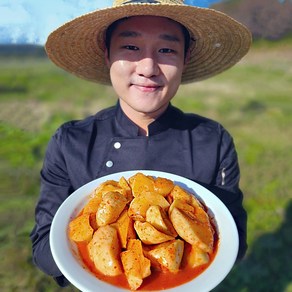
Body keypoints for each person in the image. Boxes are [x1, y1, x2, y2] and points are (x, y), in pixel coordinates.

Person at [30, 0, 252, 287]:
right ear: (107, 53)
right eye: (131, 47)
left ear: (185, 59)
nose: (148, 67)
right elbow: (43, 250)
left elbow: (233, 244)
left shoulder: (213, 140)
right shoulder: (71, 142)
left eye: (167, 50)